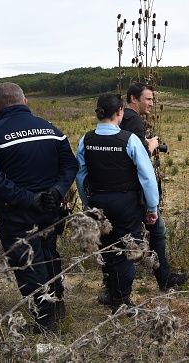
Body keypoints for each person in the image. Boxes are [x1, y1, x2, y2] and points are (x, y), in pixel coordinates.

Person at [0, 82, 78, 333]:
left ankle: (46, 322)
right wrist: (55, 191)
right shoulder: (51, 129)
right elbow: (70, 166)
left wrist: (29, 198)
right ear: (25, 101)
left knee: (28, 263)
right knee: (50, 254)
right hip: (49, 208)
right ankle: (57, 305)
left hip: (16, 212)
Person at [75, 93, 159, 314]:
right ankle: (121, 302)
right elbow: (147, 176)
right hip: (126, 202)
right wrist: (152, 207)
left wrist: (87, 203)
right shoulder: (129, 139)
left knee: (106, 249)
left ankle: (112, 293)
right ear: (120, 111)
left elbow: (81, 175)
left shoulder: (86, 140)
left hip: (98, 201)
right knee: (126, 251)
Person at [112, 82, 189, 294]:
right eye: (148, 99)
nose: (152, 104)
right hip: (136, 191)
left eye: (153, 99)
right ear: (133, 99)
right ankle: (164, 279)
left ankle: (113, 287)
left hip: (118, 189)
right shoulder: (135, 122)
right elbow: (139, 160)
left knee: (119, 239)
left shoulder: (118, 119)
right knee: (157, 232)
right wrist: (150, 145)